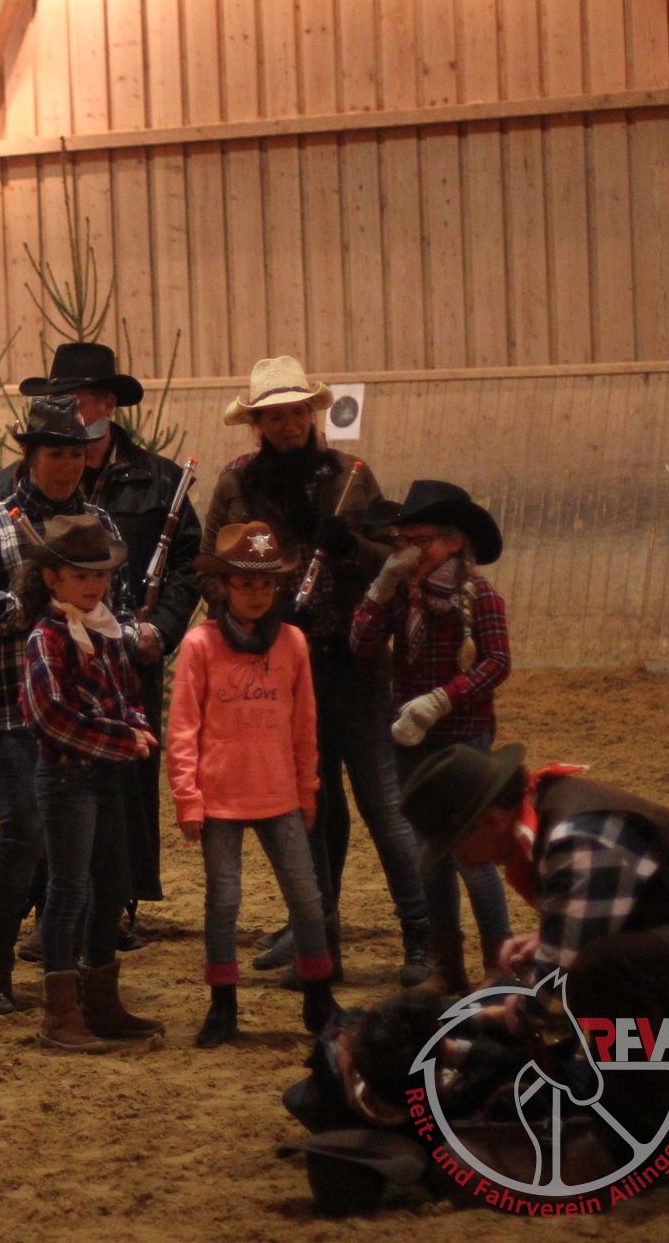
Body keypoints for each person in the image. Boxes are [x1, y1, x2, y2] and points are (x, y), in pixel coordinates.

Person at [204, 355, 433, 987]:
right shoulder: (236, 485)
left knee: (384, 804)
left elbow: (393, 560)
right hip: (279, 670)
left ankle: (423, 935)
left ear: (311, 414)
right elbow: (210, 567)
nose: (288, 426)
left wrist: (348, 547)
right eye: (275, 417)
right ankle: (317, 937)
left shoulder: (351, 477)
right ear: (257, 424)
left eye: (296, 414)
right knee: (309, 806)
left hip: (352, 663)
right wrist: (248, 625)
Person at [401, 743, 669, 1161]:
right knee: (605, 1007)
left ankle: (648, 1139)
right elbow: (620, 907)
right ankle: (668, 1103)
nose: (462, 860)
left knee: (603, 975)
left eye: (456, 845)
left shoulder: (576, 837)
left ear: (490, 820)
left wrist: (508, 1015)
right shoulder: (552, 808)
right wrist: (546, 941)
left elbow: (556, 988)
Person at [0, 344, 203, 934]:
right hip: (51, 661)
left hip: (128, 658)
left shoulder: (160, 479)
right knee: (53, 790)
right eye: (56, 399)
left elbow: (187, 564)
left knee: (126, 788)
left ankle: (118, 908)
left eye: (77, 398)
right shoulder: (13, 486)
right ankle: (54, 912)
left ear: (107, 403)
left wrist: (160, 630)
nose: (65, 409)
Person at [0, 397, 115, 1012]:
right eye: (56, 454)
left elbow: (118, 605)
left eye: (75, 453)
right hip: (12, 705)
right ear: (31, 456)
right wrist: (19, 606)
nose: (67, 465)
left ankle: (64, 966)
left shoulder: (98, 523)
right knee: (23, 830)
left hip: (83, 709)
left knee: (78, 841)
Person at [167, 521, 341, 1048]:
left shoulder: (292, 642)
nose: (257, 594)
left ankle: (319, 995)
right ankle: (223, 1003)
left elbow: (304, 723)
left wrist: (307, 787)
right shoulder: (200, 644)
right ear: (224, 586)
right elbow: (183, 726)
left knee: (306, 897)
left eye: (266, 584)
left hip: (279, 793)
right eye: (246, 584)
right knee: (223, 901)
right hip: (220, 796)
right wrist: (187, 796)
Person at [350, 481, 513, 994]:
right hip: (411, 742)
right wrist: (379, 590)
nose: (411, 552)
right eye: (405, 541)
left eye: (422, 541)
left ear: (454, 542)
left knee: (470, 852)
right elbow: (361, 645)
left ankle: (499, 964)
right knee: (430, 854)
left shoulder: (480, 596)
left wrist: (442, 699)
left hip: (463, 740)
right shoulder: (401, 594)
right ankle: (448, 966)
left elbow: (497, 662)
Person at [17, 514, 163, 1047]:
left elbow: (129, 694)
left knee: (113, 884)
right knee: (69, 889)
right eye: (80, 575)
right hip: (66, 779)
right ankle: (60, 1014)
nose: (93, 584)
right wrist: (125, 739)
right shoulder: (45, 637)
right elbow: (50, 716)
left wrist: (138, 727)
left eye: (99, 574)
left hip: (105, 777)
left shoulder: (105, 630)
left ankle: (100, 1000)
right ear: (51, 578)